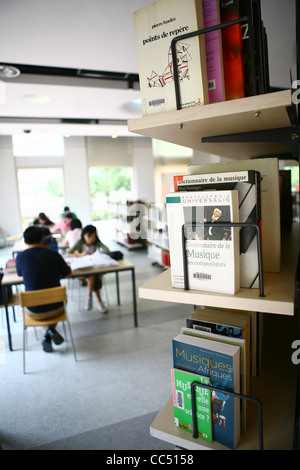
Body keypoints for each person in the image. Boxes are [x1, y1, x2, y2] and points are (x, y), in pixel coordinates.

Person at [16, 225, 72, 353]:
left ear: (24, 242)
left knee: (34, 304)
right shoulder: (53, 254)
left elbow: (19, 274)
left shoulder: (20, 257)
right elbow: (67, 274)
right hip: (57, 308)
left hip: (34, 310)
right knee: (54, 304)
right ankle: (50, 331)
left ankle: (47, 334)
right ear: (42, 239)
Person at [67, 224, 109, 314]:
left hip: (93, 268)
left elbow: (106, 250)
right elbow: (68, 253)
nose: (91, 239)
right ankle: (99, 302)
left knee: (92, 275)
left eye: (94, 237)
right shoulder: (79, 242)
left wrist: (97, 253)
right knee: (93, 276)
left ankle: (89, 297)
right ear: (83, 235)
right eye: (89, 237)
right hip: (82, 269)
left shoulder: (96, 242)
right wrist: (80, 255)